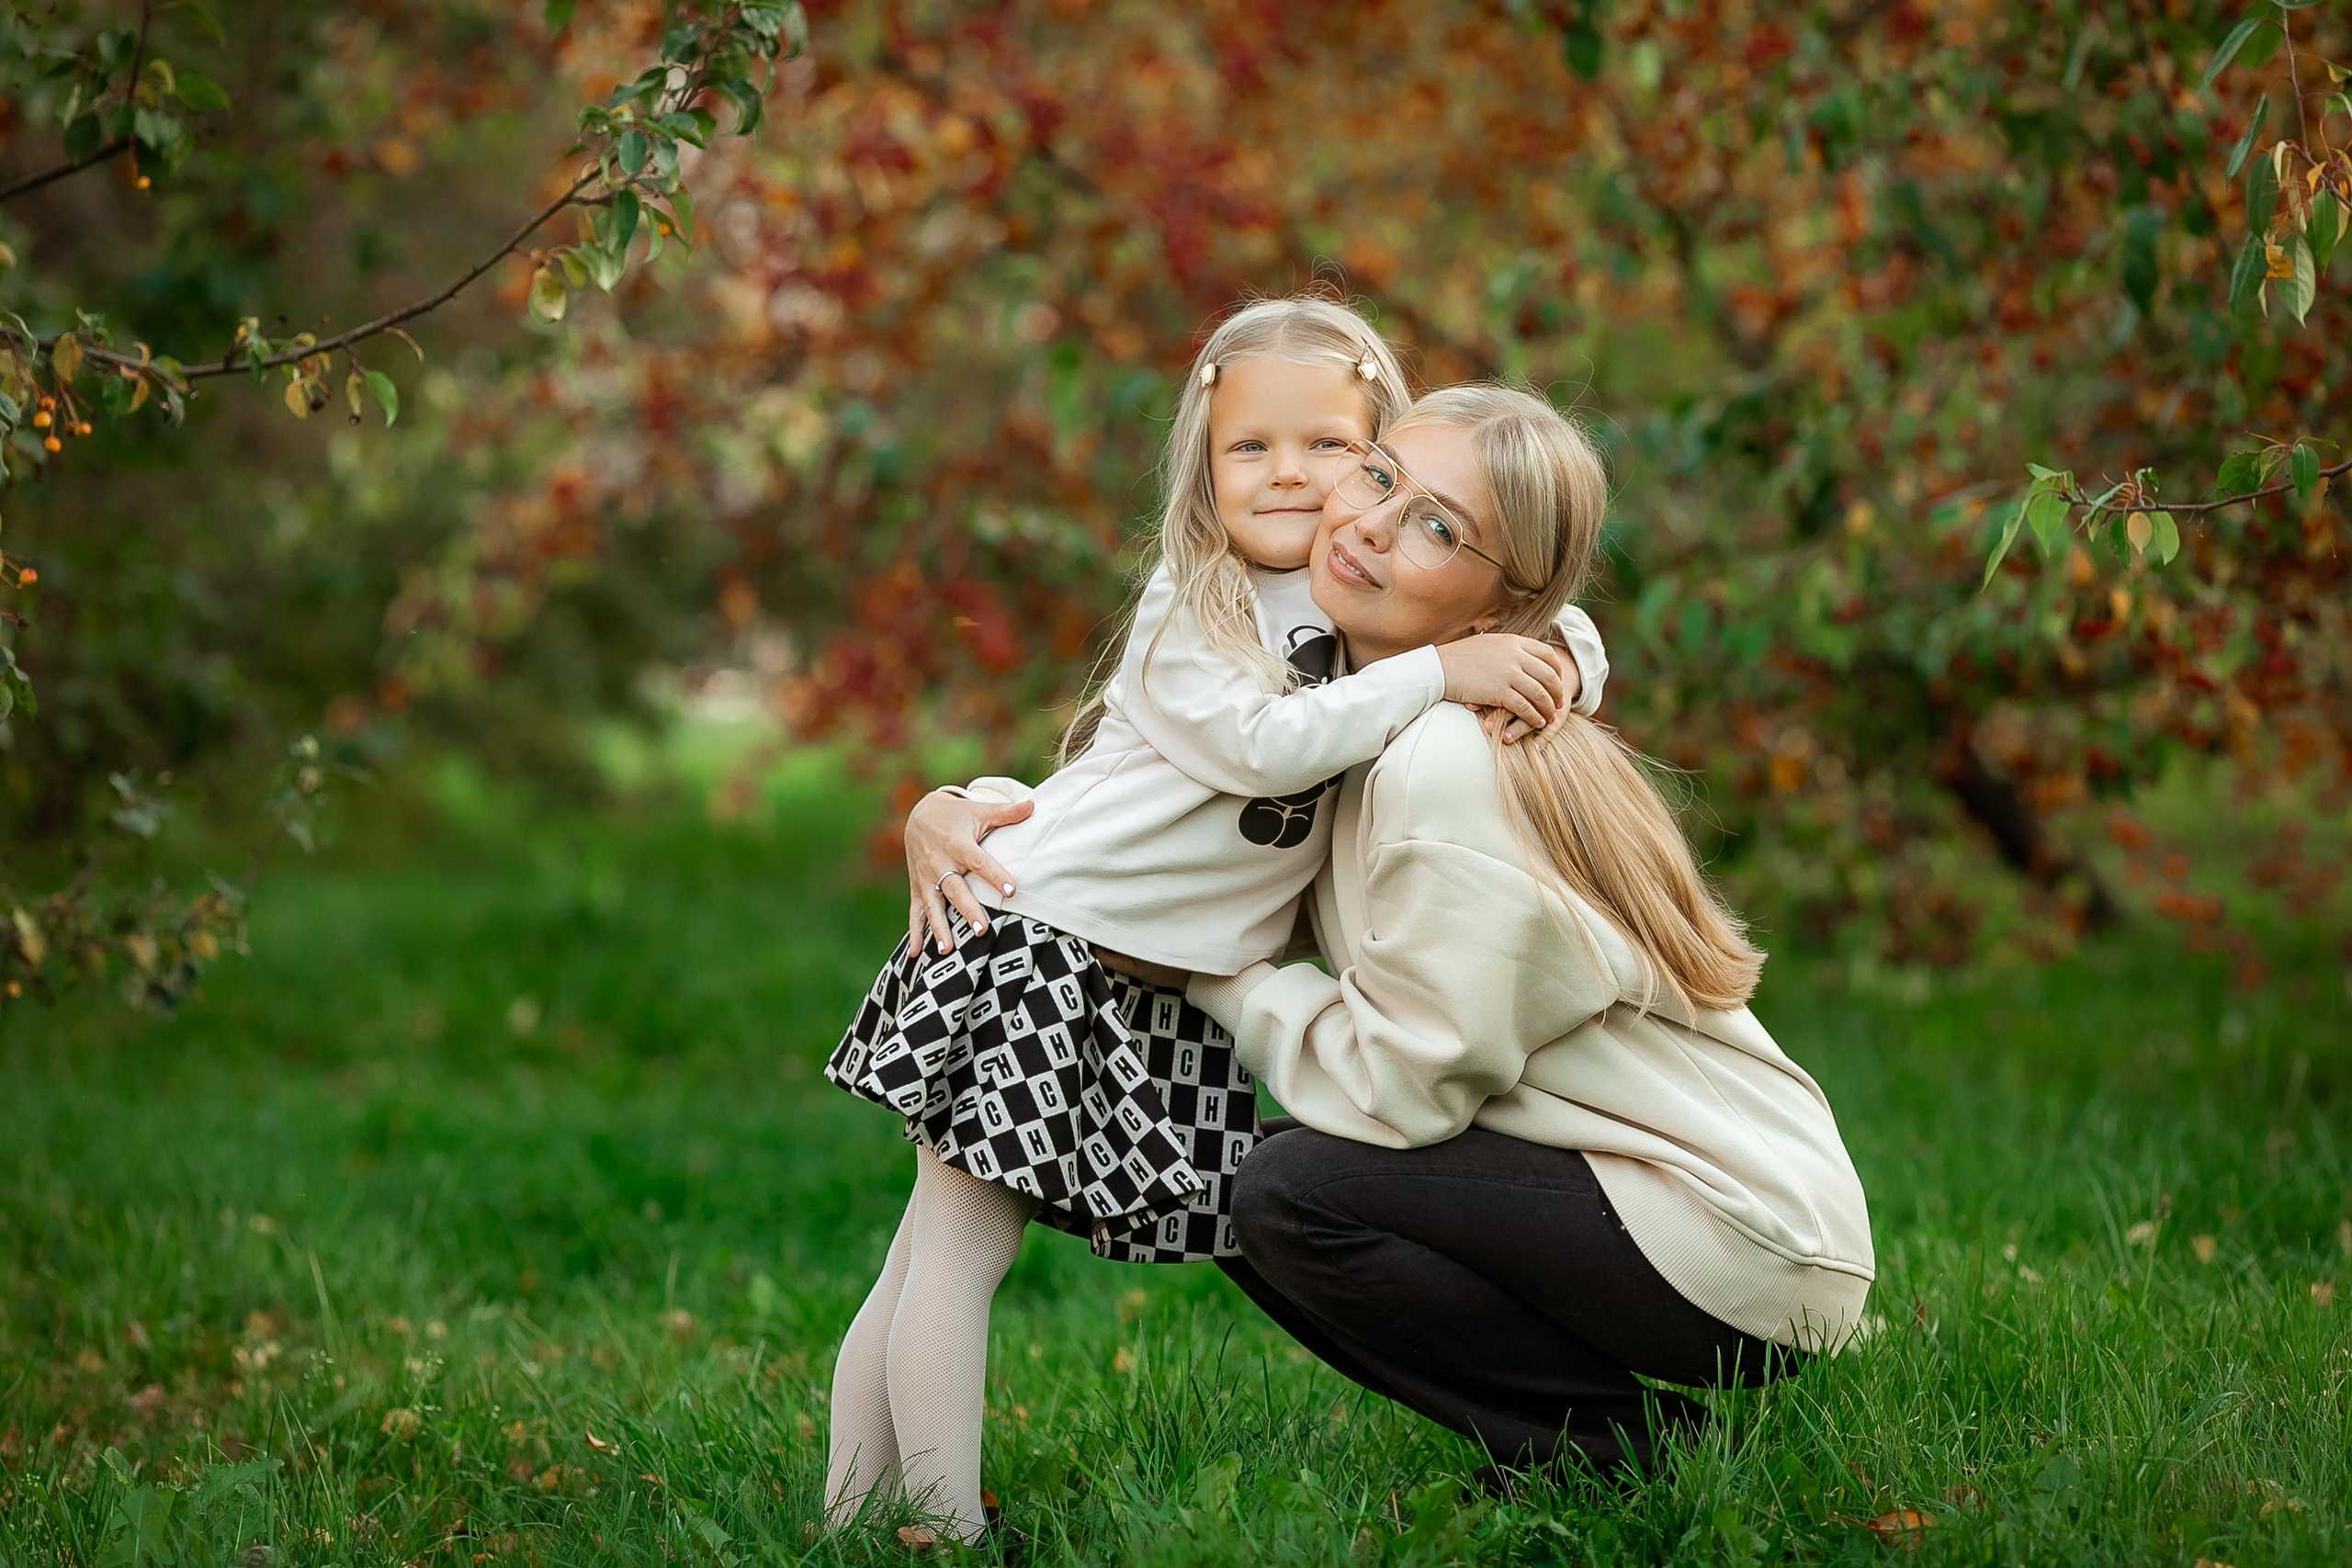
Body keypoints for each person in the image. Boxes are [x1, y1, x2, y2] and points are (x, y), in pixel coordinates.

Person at [921, 384, 1874, 1488]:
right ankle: (1581, 1441)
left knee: (1274, 1191)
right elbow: (1141, 803)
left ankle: (1621, 1454)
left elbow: (1408, 1091)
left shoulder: (1439, 764)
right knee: (1241, 1173)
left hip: (1734, 1236)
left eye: (1436, 526)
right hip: (1703, 1221)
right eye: (1377, 476)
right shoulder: (1344, 712)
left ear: (1487, 618)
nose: (1371, 523)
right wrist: (959, 808)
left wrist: (1217, 981)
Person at [820, 299, 1614, 1541]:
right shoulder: (1196, 604)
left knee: (929, 1248)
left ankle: (852, 1510)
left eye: (1331, 446)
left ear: (1379, 448)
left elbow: (1531, 611)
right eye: (1252, 447)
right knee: (959, 1250)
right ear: (1205, 459)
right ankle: (937, 1526)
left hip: (1109, 967)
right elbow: (1262, 746)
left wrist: (1561, 658)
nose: (1291, 473)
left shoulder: (1355, 598)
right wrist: (1440, 673)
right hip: (1038, 940)